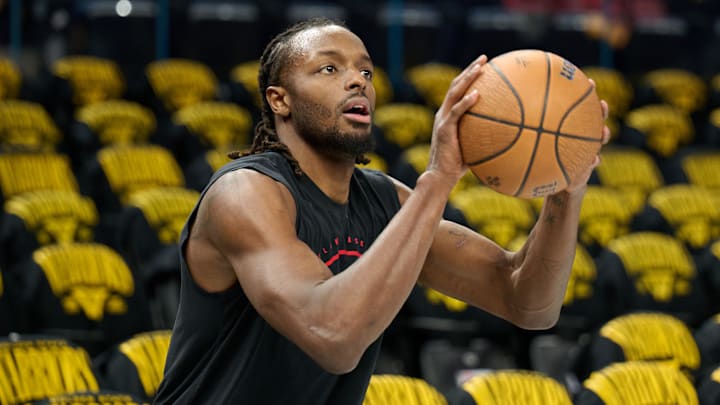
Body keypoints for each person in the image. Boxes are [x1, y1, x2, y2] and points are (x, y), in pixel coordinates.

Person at [153, 17, 611, 404]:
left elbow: (528, 304)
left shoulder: (382, 200)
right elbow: (332, 338)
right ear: (280, 100)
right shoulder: (246, 192)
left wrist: (565, 191)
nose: (357, 81)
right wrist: (439, 178)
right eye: (329, 68)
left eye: (366, 72)